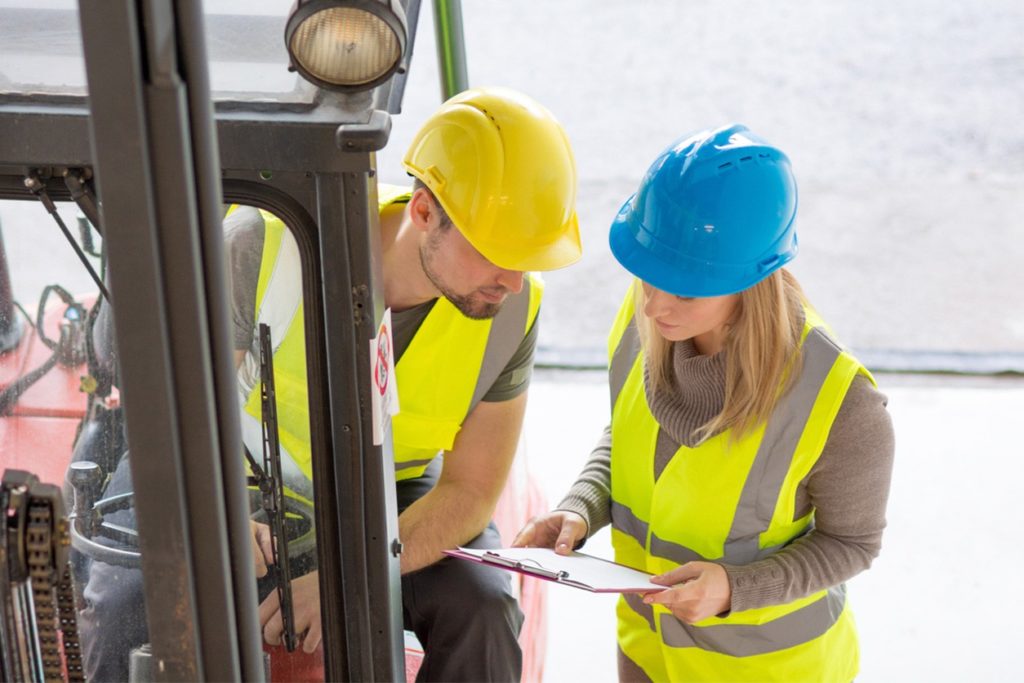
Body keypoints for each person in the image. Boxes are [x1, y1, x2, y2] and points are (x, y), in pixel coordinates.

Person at [513, 124, 894, 682]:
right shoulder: (647, 312)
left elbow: (852, 543)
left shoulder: (840, 401)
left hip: (767, 671)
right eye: (648, 276)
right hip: (648, 652)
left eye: (686, 290)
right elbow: (632, 432)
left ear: (751, 280)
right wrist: (583, 505)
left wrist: (734, 589)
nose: (656, 305)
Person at [227, 86, 581, 680]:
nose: (514, 282)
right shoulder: (262, 246)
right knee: (132, 598)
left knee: (484, 609)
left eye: (528, 259)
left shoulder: (511, 312)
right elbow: (178, 418)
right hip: (239, 480)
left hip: (391, 489)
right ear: (423, 212)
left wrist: (348, 577)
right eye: (498, 253)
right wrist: (221, 512)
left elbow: (469, 492)